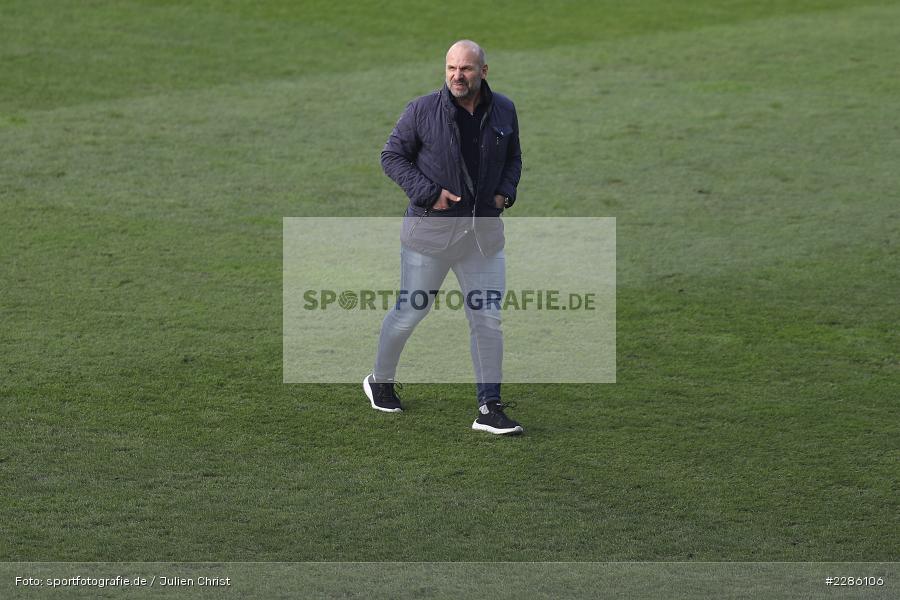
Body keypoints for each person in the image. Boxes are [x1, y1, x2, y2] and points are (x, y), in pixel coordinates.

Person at [363, 40, 524, 435]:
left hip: (482, 237)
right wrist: (429, 193)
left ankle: (489, 407)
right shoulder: (421, 110)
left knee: (487, 320)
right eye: (451, 68)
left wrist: (507, 191)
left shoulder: (504, 108)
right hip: (429, 238)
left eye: (465, 69)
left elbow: (514, 157)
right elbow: (391, 157)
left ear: (483, 71)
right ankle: (379, 380)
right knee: (410, 312)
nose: (457, 76)